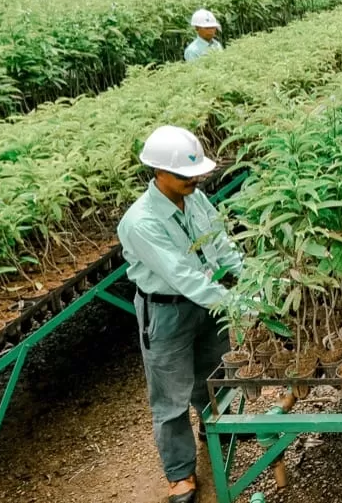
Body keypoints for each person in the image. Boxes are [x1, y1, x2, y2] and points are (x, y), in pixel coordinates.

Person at [118, 126, 243, 503]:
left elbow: (220, 243)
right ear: (158, 172)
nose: (194, 180)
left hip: (208, 303)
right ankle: (180, 473)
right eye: (184, 175)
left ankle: (215, 425)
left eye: (195, 173)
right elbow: (184, 277)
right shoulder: (141, 222)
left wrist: (249, 277)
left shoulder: (196, 197)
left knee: (215, 371)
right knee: (170, 396)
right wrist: (240, 305)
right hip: (166, 311)